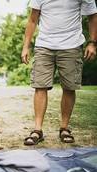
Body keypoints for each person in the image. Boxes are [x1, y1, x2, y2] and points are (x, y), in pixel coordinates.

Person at [21, 0, 97, 145]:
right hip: (44, 45)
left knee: (69, 87)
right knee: (40, 85)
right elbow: (32, 19)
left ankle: (64, 128)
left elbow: (93, 15)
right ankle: (37, 130)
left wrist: (92, 43)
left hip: (72, 45)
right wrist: (26, 46)